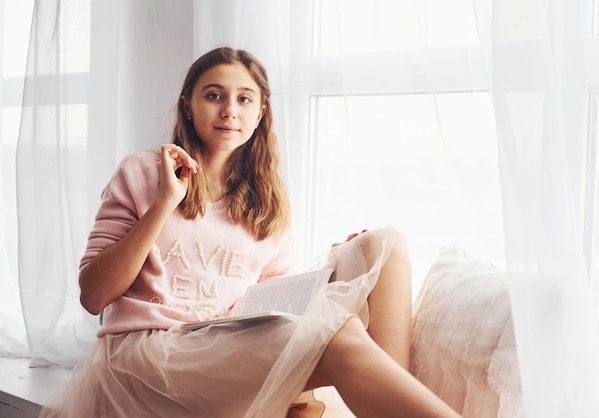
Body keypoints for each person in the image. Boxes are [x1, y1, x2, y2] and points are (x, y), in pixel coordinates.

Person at [40, 46, 461, 418]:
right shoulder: (144, 172)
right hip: (150, 355)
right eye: (214, 95)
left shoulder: (267, 201)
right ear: (188, 105)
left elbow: (268, 303)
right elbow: (93, 295)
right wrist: (166, 201)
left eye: (244, 99)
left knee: (383, 245)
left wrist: (332, 276)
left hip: (227, 344)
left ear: (260, 114)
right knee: (338, 331)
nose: (229, 111)